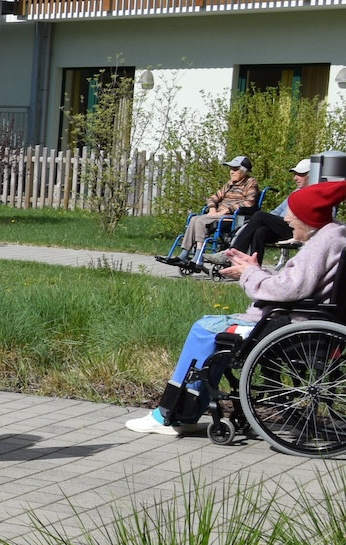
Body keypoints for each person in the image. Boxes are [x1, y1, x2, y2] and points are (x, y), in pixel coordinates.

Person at [127, 176, 346, 436]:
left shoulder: (322, 243)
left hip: (288, 325)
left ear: (310, 218)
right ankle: (185, 413)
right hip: (301, 320)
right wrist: (255, 269)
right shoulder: (333, 236)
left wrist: (248, 274)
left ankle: (168, 415)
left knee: (204, 329)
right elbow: (296, 283)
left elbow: (289, 289)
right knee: (213, 330)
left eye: (292, 214)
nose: (286, 220)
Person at [206, 158, 304, 272]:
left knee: (259, 215)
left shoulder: (312, 193)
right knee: (260, 231)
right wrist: (268, 220)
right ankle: (253, 269)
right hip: (281, 225)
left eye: (300, 174)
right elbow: (277, 212)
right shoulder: (295, 193)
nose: (295, 177)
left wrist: (265, 218)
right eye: (296, 174)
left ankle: (232, 253)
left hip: (297, 228)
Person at [181, 154, 260, 256]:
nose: (231, 171)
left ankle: (198, 254)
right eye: (231, 168)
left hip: (233, 217)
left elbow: (249, 202)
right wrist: (212, 208)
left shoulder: (250, 183)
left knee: (200, 221)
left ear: (244, 171)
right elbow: (213, 198)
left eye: (235, 169)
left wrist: (227, 210)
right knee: (193, 219)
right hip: (218, 214)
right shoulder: (229, 184)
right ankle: (184, 252)